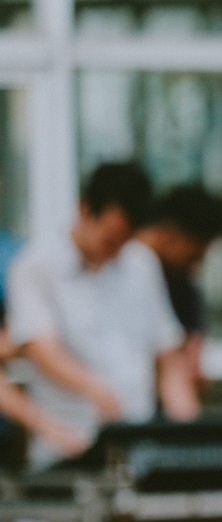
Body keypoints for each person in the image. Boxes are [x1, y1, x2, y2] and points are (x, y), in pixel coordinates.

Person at [6, 162, 199, 467]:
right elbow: (43, 351)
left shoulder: (141, 264)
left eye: (126, 240)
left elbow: (167, 358)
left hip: (139, 448)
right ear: (85, 210)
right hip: (68, 452)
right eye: (111, 238)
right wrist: (95, 390)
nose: (117, 251)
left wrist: (191, 433)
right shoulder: (34, 268)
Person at [135, 183, 222, 386]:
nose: (195, 267)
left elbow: (192, 344)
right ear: (168, 233)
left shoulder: (181, 282)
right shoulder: (122, 268)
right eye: (192, 257)